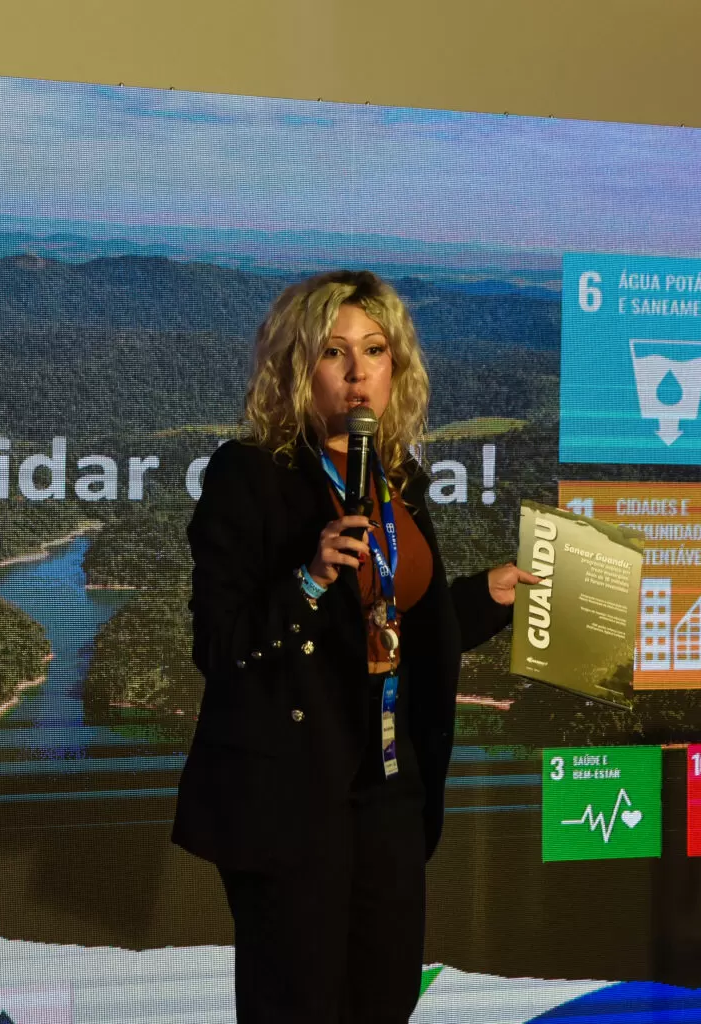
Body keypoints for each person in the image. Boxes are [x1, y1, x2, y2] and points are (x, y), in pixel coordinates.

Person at [171, 269, 537, 1023]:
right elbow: (219, 644)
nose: (358, 371)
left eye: (374, 350)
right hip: (293, 796)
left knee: (384, 999)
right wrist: (307, 580)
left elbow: (395, 627)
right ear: (297, 371)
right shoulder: (249, 474)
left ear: (396, 368)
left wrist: (487, 597)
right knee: (299, 1005)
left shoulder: (398, 479)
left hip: (390, 784)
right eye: (333, 352)